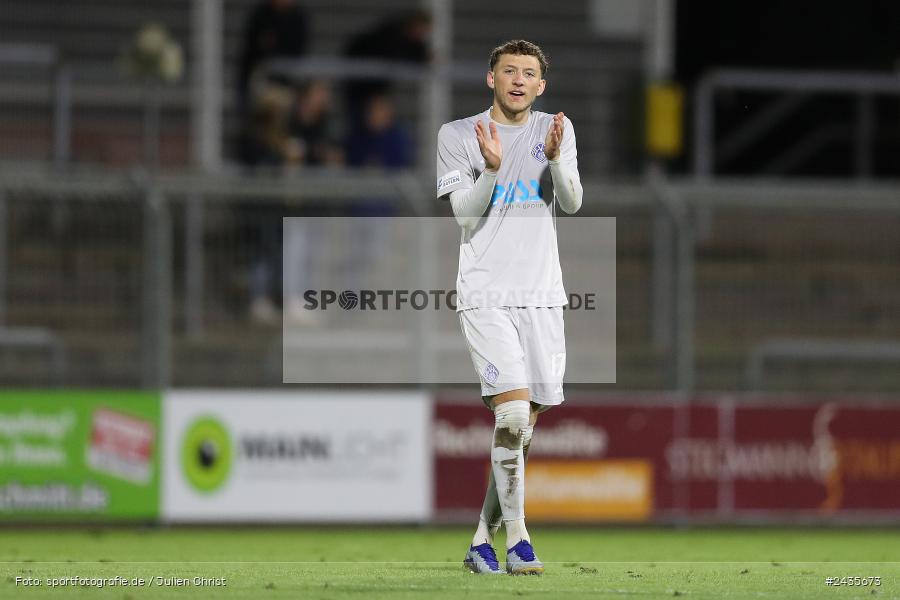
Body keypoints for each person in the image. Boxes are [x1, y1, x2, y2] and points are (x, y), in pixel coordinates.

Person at [435, 40, 583, 576]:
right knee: (513, 414)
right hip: (485, 293)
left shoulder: (556, 130)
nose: (518, 80)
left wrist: (558, 156)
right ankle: (519, 541)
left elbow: (571, 202)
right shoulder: (458, 135)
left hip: (542, 295)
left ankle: (481, 542)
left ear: (541, 85)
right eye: (508, 71)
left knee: (521, 432)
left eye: (529, 73)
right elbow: (464, 218)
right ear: (490, 79)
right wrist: (493, 170)